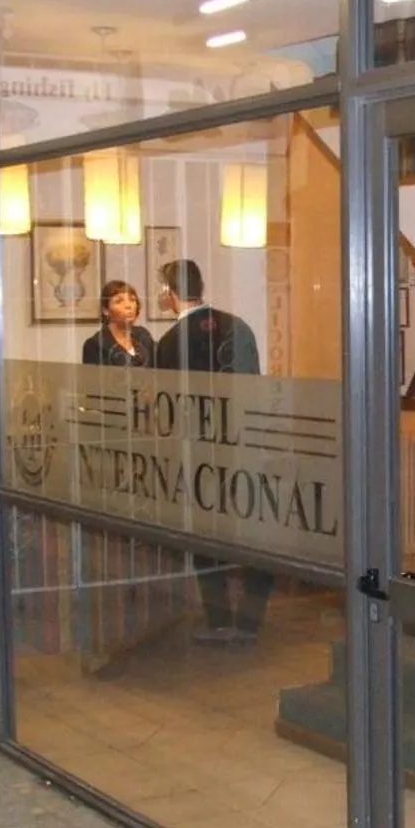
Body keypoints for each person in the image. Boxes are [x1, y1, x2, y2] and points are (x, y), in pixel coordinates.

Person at [152, 258, 271, 644]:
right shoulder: (238, 326)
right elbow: (254, 388)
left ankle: (219, 620)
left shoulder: (170, 343)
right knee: (255, 534)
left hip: (200, 456)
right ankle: (250, 621)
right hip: (245, 447)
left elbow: (168, 410)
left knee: (207, 540)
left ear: (169, 293)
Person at [81, 279, 154, 367]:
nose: (128, 306)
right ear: (106, 310)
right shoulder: (95, 345)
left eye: (132, 300)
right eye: (119, 301)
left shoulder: (144, 336)